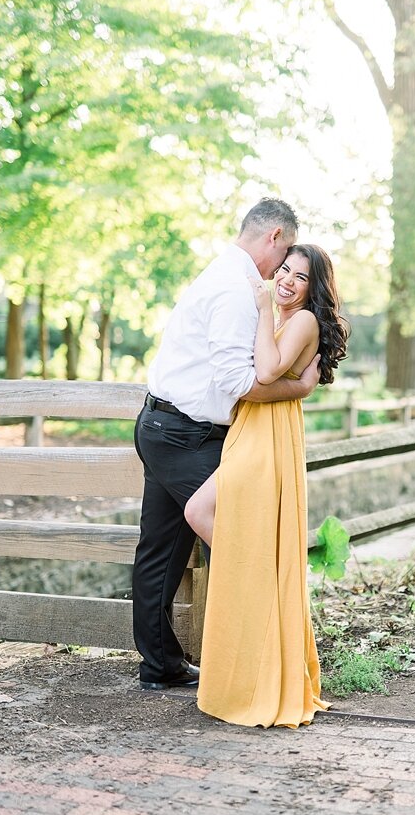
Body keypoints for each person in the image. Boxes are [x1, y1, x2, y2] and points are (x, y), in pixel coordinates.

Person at [133, 198, 319, 691]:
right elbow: (243, 381)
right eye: (283, 261)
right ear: (275, 236)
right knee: (248, 535)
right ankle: (258, 663)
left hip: (162, 425)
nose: (281, 272)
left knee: (163, 551)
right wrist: (298, 390)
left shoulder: (222, 274)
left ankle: (162, 666)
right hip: (184, 434)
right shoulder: (237, 290)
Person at [187, 244, 349, 728]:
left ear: (313, 287)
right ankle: (260, 578)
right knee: (206, 514)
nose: (286, 281)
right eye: (283, 271)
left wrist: (262, 310)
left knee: (199, 510)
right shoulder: (284, 316)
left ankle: (257, 580)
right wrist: (296, 386)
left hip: (267, 438)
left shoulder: (301, 321)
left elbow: (263, 371)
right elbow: (271, 377)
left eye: (300, 277)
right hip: (252, 430)